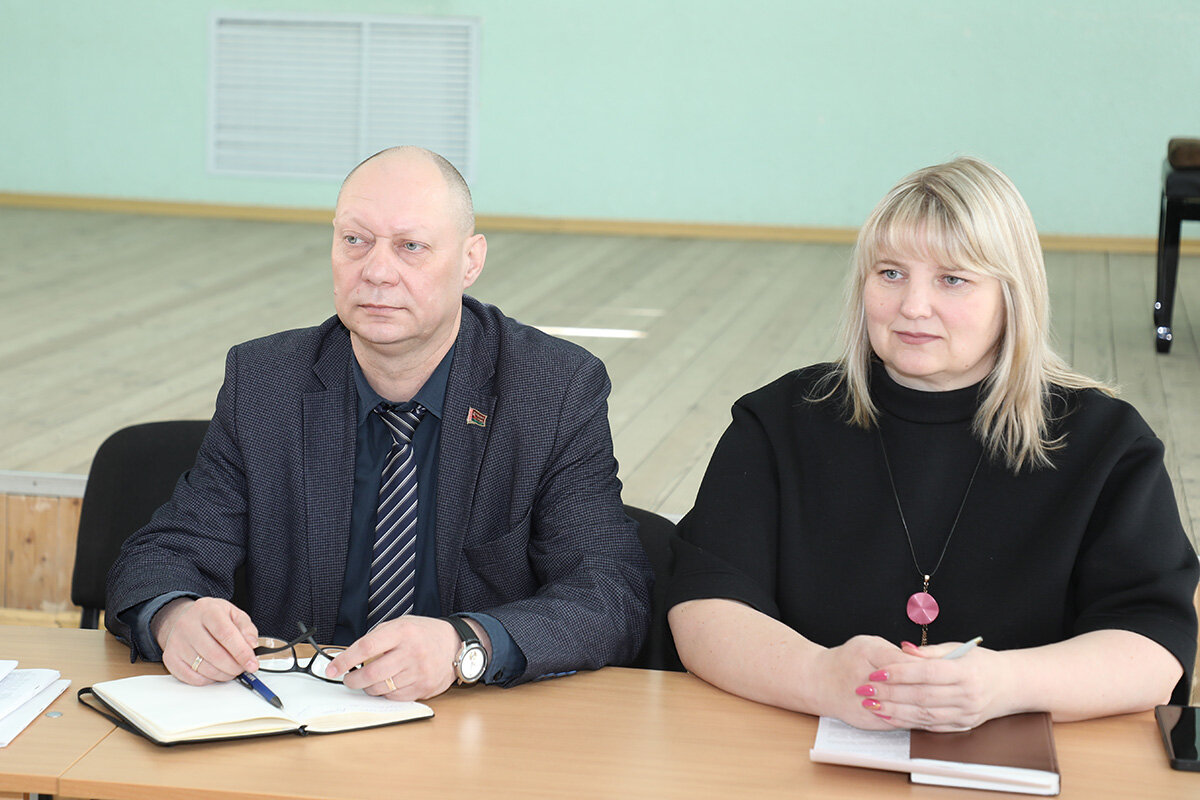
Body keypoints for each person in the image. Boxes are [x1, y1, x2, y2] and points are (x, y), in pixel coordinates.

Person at [666, 156, 1198, 732]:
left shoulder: (1105, 443)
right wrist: (819, 677)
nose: (913, 306)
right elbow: (704, 608)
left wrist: (1005, 685)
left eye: (953, 279)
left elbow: (1153, 644)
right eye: (891, 273)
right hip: (787, 751)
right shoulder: (778, 421)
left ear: (1012, 294)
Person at [107, 146, 652, 701]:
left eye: (411, 246)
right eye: (355, 240)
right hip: (297, 713)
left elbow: (610, 592)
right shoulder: (266, 381)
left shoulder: (552, 389)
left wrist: (467, 644)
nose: (376, 271)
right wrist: (175, 616)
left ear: (470, 261)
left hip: (473, 714)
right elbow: (165, 553)